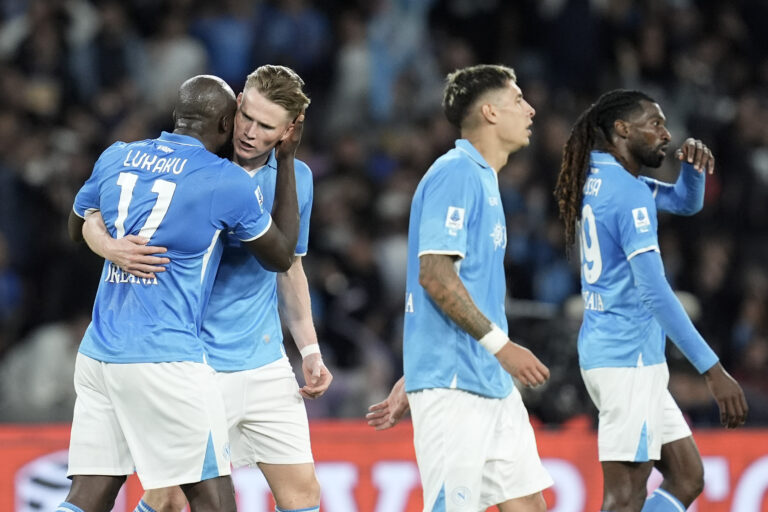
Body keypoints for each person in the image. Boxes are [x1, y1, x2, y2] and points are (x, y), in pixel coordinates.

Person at [82, 65, 331, 512]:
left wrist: (309, 350)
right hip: (197, 362)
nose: (250, 133)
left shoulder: (299, 181)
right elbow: (94, 214)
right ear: (233, 106)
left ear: (290, 130)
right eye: (246, 117)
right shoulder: (200, 168)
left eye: (266, 126)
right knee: (167, 499)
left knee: (303, 494)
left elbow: (288, 267)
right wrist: (108, 245)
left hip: (263, 361)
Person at [553, 89, 748, 512]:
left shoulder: (605, 177)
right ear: (622, 130)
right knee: (625, 498)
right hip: (627, 361)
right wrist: (713, 370)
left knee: (687, 476)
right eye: (654, 124)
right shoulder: (627, 193)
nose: (666, 133)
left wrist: (691, 170)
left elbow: (684, 202)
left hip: (619, 352)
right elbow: (655, 292)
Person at [370, 64, 553, 512]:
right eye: (517, 100)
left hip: (486, 380)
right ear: (490, 112)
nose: (530, 110)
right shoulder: (456, 174)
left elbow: (463, 288)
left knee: (530, 506)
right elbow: (434, 275)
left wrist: (416, 369)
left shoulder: (484, 179)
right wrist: (502, 347)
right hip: (457, 385)